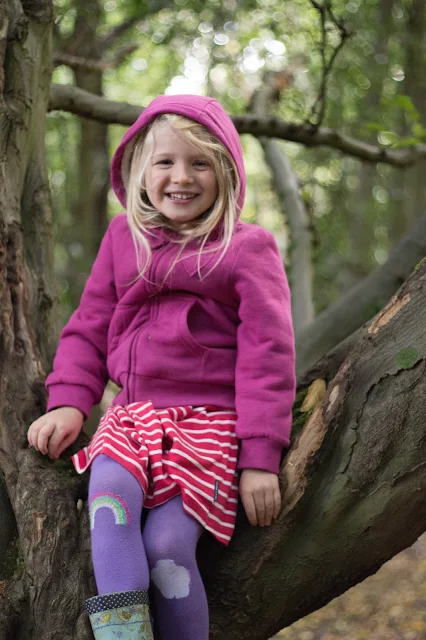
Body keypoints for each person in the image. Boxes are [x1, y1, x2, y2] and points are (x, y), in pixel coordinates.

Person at [27, 94, 296, 640]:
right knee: (108, 505)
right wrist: (70, 402)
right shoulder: (123, 239)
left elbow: (269, 357)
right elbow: (89, 325)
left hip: (209, 427)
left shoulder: (246, 250)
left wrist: (261, 458)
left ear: (225, 172)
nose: (182, 176)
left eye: (200, 163)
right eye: (165, 162)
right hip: (130, 419)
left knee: (167, 549)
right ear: (140, 171)